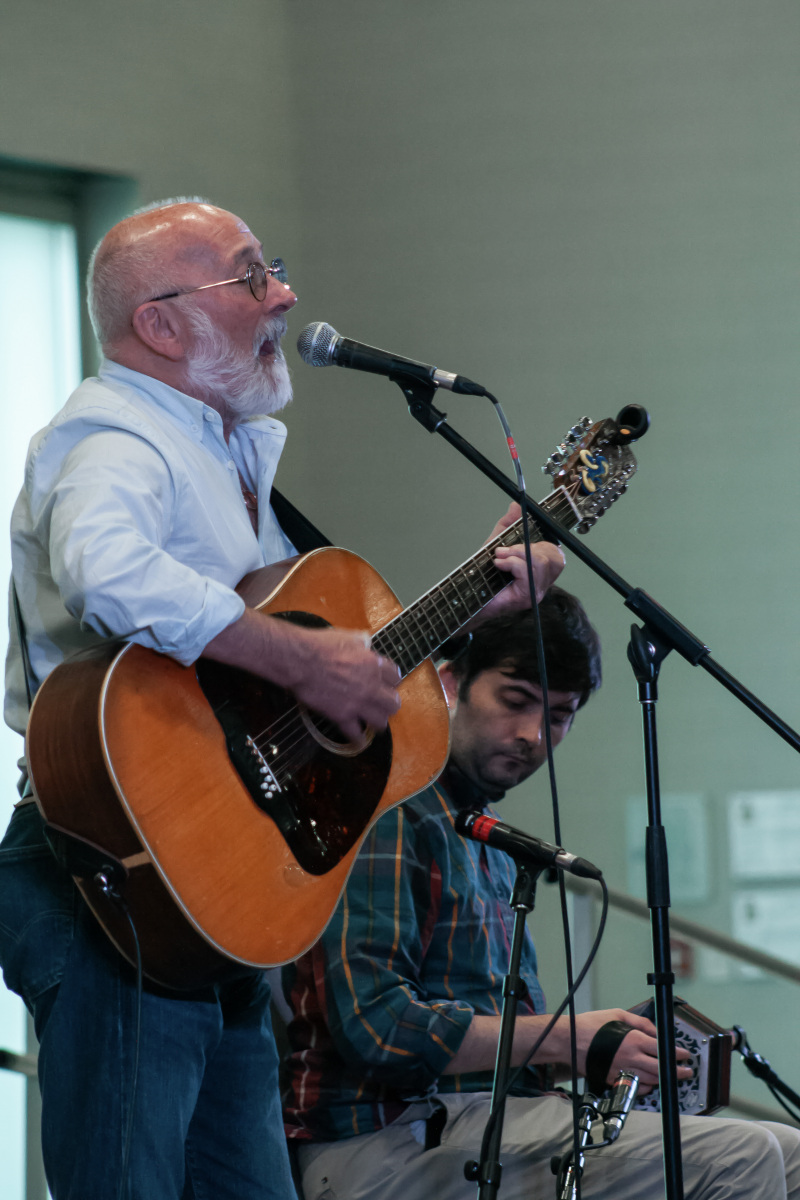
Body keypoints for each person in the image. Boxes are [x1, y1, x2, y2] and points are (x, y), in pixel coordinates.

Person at [0, 197, 563, 1200]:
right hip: (110, 876)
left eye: (276, 270)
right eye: (251, 277)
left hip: (214, 891)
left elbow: (281, 673)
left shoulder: (229, 452)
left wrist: (470, 600)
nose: (285, 297)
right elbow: (107, 573)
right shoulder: (115, 436)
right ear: (161, 325)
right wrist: (303, 663)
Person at [282, 592, 800, 1200]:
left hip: (474, 1122)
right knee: (744, 1156)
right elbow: (376, 1028)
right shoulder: (391, 810)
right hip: (380, 1143)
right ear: (449, 684)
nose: (532, 734)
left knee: (792, 1154)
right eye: (515, 700)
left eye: (558, 715)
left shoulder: (487, 837)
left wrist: (595, 1051)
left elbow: (498, 1043)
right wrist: (564, 1037)